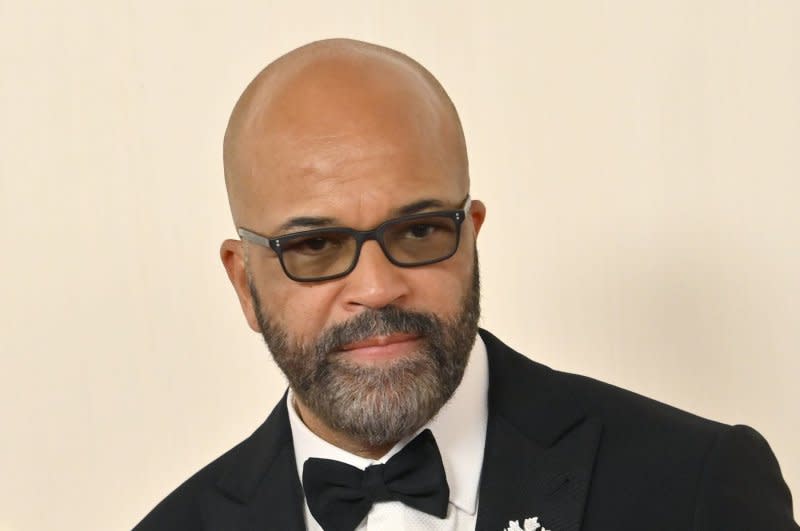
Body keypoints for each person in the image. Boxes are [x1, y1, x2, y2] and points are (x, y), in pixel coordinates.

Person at [134, 38, 798, 531]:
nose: (377, 286)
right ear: (244, 282)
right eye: (315, 245)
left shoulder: (696, 487)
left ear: (472, 234)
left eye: (418, 231)